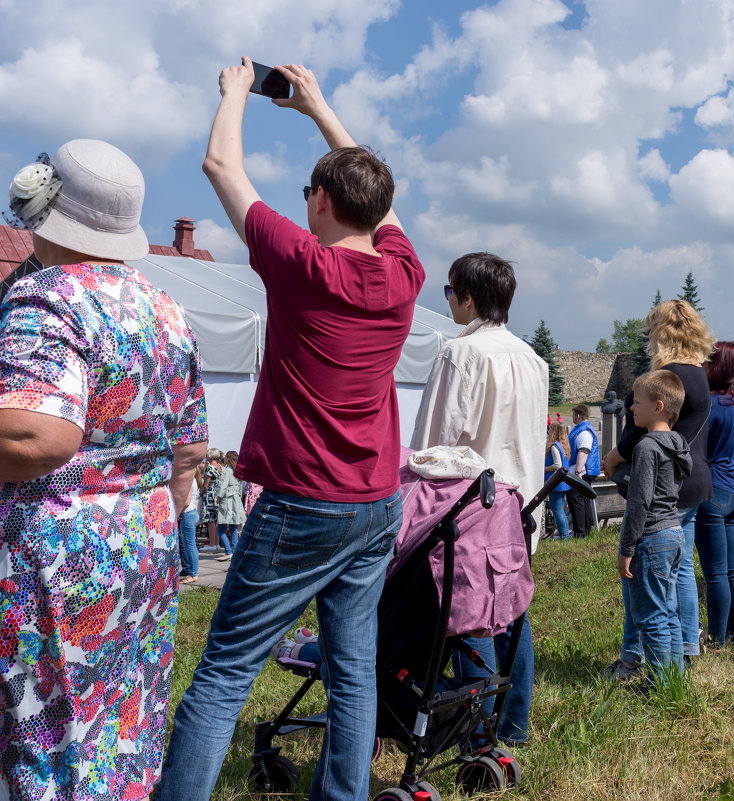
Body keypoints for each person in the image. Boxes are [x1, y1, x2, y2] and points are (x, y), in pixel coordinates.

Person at [158, 61, 423, 801]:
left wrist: (235, 92)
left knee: (223, 672)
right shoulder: (404, 273)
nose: (303, 201)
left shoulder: (300, 263)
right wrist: (317, 108)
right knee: (353, 665)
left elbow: (219, 164)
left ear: (323, 202)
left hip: (302, 500)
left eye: (310, 191)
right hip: (375, 499)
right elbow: (382, 201)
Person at [1, 139, 207, 799]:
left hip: (57, 563)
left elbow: (41, 432)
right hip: (143, 551)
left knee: (48, 741)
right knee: (120, 732)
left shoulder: (47, 296)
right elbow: (192, 450)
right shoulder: (165, 307)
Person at [410, 252, 548, 745]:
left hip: (472, 509)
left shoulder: (460, 353)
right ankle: (510, 729)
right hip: (521, 506)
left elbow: (434, 443)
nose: (448, 302)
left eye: (449, 292)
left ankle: (475, 733)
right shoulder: (534, 359)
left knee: (471, 621)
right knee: (512, 614)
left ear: (468, 297)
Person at [602, 299, 714, 675]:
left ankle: (635, 655)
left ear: (662, 332)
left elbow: (637, 431)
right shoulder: (700, 373)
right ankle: (683, 647)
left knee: (638, 571)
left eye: (651, 329)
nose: (648, 336)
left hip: (663, 484)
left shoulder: (670, 374)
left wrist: (614, 457)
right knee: (680, 569)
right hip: (694, 476)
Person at [617, 370, 692, 691]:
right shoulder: (677, 443)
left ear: (658, 406)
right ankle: (673, 679)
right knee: (668, 612)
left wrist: (627, 549)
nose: (631, 409)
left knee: (650, 616)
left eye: (637, 402)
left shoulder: (647, 447)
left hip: (652, 537)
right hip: (674, 532)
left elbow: (639, 503)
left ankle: (660, 686)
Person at [695, 342, 734, 650]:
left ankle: (718, 640)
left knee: (715, 572)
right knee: (733, 569)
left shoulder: (711, 403)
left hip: (712, 491)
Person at [567, 403, 601, 537]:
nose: (572, 418)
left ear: (578, 415)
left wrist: (577, 472)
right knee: (583, 500)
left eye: (573, 415)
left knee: (575, 499)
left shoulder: (584, 431)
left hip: (582, 471)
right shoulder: (582, 430)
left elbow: (583, 451)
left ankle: (580, 533)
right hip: (582, 471)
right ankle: (586, 530)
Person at [214, 449, 246, 561]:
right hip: (236, 500)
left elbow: (223, 485)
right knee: (233, 527)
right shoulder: (238, 470)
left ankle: (228, 551)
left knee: (221, 528)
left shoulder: (227, 470)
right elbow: (241, 488)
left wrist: (218, 497)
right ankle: (233, 550)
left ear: (228, 458)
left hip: (227, 500)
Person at [545, 420, 573, 540]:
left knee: (558, 511)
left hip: (555, 483)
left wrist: (544, 468)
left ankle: (564, 537)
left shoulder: (554, 446)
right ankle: (565, 535)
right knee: (560, 511)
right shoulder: (562, 446)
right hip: (562, 483)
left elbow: (557, 465)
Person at [179, 476, 201, 585]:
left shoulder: (188, 479)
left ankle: (193, 574)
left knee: (190, 545)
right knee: (189, 545)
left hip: (188, 513)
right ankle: (191, 572)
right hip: (191, 513)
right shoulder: (193, 478)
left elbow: (186, 502)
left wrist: (177, 512)